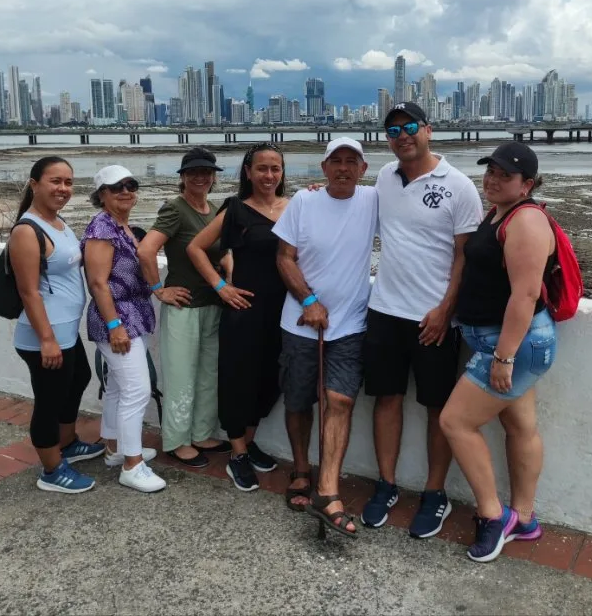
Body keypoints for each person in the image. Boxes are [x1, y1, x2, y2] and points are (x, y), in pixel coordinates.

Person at [360, 102, 484, 538]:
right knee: (386, 399)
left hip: (434, 318)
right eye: (393, 130)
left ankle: (435, 494)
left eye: (410, 127)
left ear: (428, 130)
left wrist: (445, 310)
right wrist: (319, 193)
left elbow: (464, 256)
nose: (402, 135)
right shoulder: (383, 179)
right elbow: (356, 210)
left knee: (436, 408)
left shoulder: (459, 186)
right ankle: (386, 484)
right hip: (385, 310)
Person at [440, 142, 555, 562]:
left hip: (513, 344)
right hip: (502, 339)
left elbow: (524, 295)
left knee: (455, 422)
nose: (492, 180)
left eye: (504, 176)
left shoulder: (526, 221)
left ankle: (494, 516)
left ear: (527, 184)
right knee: (521, 426)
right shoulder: (499, 212)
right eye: (490, 172)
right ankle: (524, 518)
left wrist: (504, 357)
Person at [274, 137, 377, 536]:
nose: (344, 168)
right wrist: (309, 300)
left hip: (350, 323)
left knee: (340, 399)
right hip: (300, 322)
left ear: (363, 170)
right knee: (299, 400)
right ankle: (301, 467)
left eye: (352, 162)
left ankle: (328, 489)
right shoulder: (304, 201)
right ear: (323, 167)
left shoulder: (372, 200)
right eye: (336, 161)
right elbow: (284, 257)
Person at [187, 143, 288, 493]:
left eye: (275, 168)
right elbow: (195, 248)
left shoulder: (295, 207)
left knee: (269, 380)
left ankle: (249, 439)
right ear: (248, 172)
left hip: (283, 310)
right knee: (238, 379)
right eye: (262, 168)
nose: (269, 175)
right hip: (243, 310)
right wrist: (220, 287)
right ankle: (238, 452)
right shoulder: (235, 210)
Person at [9, 155, 104, 494]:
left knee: (78, 378)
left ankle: (67, 442)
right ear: (34, 184)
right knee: (49, 401)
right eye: (55, 181)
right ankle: (51, 469)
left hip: (64, 329)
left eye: (68, 182)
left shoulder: (58, 222)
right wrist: (47, 339)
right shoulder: (26, 230)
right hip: (44, 335)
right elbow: (28, 291)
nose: (63, 188)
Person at [138, 147, 232, 468]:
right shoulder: (175, 209)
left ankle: (202, 432)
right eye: (193, 171)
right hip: (184, 307)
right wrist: (159, 290)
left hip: (213, 304)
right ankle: (177, 440)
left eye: (206, 171)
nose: (201, 177)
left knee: (208, 374)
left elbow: (223, 254)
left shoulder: (215, 210)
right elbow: (146, 250)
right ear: (182, 176)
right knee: (180, 374)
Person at [82, 165, 166, 494]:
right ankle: (132, 465)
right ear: (101, 195)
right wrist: (115, 325)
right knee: (137, 391)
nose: (126, 191)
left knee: (118, 388)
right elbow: (98, 283)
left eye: (131, 185)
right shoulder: (102, 227)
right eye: (116, 187)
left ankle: (115, 448)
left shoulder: (122, 226)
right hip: (118, 318)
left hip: (133, 314)